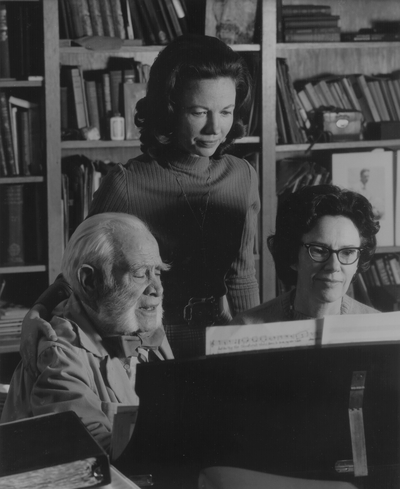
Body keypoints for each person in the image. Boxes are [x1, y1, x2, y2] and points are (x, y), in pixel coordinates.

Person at [21, 33, 260, 367]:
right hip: (147, 344)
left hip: (221, 337)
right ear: (170, 108)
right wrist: (37, 313)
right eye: (199, 112)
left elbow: (242, 275)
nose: (214, 128)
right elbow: (78, 275)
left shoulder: (243, 176)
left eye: (226, 111)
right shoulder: (126, 184)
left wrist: (256, 348)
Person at [1, 213, 173, 454]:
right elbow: (100, 455)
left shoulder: (143, 325)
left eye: (158, 271)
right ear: (90, 281)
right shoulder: (59, 356)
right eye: (139, 273)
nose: (157, 289)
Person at [232, 185, 381, 324]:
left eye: (348, 252)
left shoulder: (380, 330)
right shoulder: (246, 326)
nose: (334, 266)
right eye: (319, 250)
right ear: (292, 255)